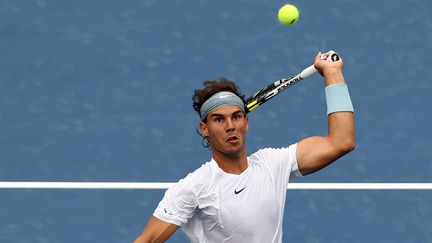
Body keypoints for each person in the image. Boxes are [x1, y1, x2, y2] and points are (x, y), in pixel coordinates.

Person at [134, 51, 355, 243]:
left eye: (236, 117)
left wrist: (333, 73)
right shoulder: (192, 188)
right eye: (219, 119)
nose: (230, 126)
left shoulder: (273, 164)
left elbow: (341, 142)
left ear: (246, 122)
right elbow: (147, 240)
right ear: (204, 128)